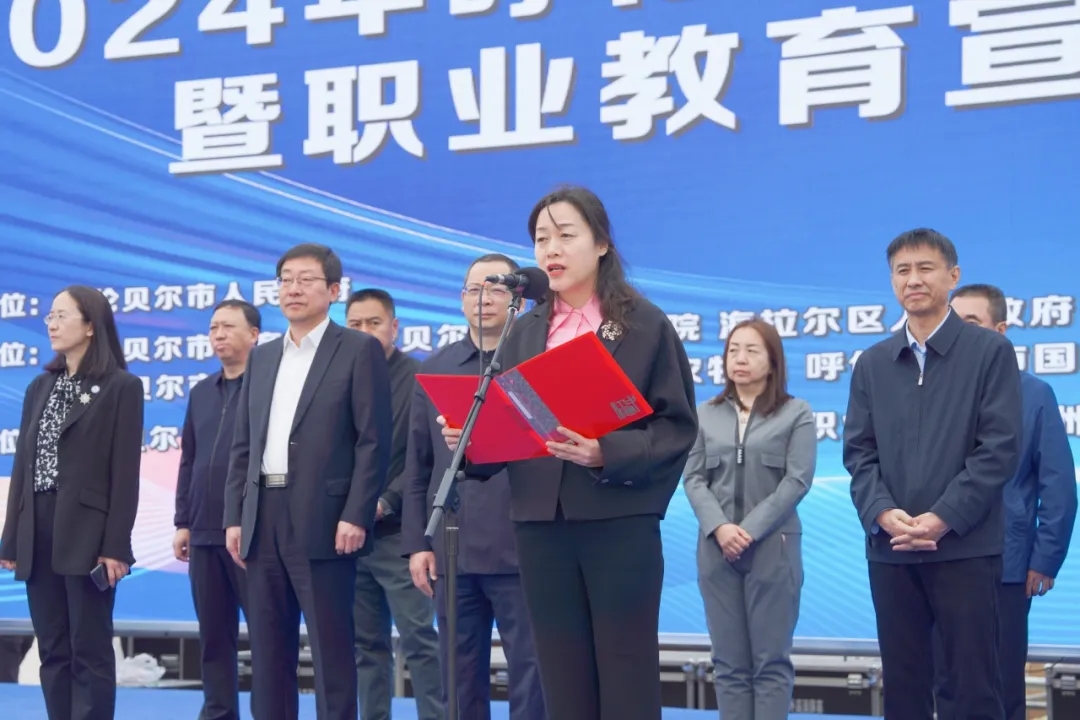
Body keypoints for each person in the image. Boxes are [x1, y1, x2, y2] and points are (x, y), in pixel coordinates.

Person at [439, 186, 698, 719]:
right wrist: (470, 440)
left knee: (624, 670)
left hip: (617, 519)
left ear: (601, 244)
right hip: (540, 525)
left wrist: (607, 451)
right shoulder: (523, 330)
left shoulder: (642, 323)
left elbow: (676, 427)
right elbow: (512, 429)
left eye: (565, 235)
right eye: (541, 239)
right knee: (560, 670)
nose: (550, 250)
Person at [843, 229, 1023, 720]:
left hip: (965, 548)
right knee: (904, 689)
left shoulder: (989, 352)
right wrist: (883, 514)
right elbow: (858, 453)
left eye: (925, 268)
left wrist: (943, 517)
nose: (913, 280)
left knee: (973, 689)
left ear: (953, 276)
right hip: (893, 550)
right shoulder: (873, 363)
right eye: (902, 271)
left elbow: (999, 448)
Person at [223, 243, 393, 720]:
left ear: (334, 291)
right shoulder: (262, 357)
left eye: (306, 280)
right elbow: (244, 444)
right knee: (268, 653)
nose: (293, 289)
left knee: (331, 650)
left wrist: (356, 512)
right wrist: (235, 516)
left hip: (325, 517)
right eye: (286, 280)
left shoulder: (357, 349)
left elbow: (373, 441)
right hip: (263, 515)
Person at [402, 253, 546, 720]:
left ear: (518, 299)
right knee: (459, 678)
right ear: (461, 299)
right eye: (474, 289)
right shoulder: (437, 367)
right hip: (454, 549)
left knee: (533, 675)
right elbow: (418, 465)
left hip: (524, 546)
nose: (483, 298)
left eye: (496, 287)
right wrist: (418, 544)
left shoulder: (537, 362)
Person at [932, 284, 1078, 720]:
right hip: (939, 561)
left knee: (1000, 686)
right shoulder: (932, 392)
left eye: (971, 323)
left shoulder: (1033, 394)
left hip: (1006, 566)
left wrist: (1044, 560)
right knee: (946, 685)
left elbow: (1058, 487)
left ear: (1001, 330)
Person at [0, 285, 144, 720]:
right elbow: (24, 467)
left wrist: (115, 545)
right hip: (38, 526)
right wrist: (11, 538)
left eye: (62, 315)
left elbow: (125, 474)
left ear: (90, 325)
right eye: (50, 315)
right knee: (53, 646)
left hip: (88, 532)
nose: (52, 323)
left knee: (90, 647)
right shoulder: (40, 386)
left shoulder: (121, 387)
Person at [683, 318, 815, 720]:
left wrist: (749, 530)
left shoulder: (796, 413)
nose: (739, 358)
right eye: (733, 350)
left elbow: (797, 480)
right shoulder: (705, 414)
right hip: (716, 548)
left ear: (772, 362)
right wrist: (720, 528)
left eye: (751, 350)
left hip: (773, 546)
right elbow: (693, 478)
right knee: (728, 663)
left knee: (770, 662)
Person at [344, 288, 442, 720]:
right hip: (348, 538)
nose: (365, 332)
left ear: (394, 327)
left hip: (400, 537)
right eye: (355, 325)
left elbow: (425, 459)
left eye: (374, 323)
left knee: (419, 640)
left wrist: (385, 502)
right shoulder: (338, 379)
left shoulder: (419, 379)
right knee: (366, 645)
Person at [173, 300, 260, 720]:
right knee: (213, 637)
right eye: (213, 328)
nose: (219, 335)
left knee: (266, 636)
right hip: (204, 533)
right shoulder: (201, 392)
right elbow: (188, 459)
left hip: (252, 533)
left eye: (228, 327)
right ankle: (218, 713)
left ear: (254, 335)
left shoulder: (267, 389)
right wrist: (182, 521)